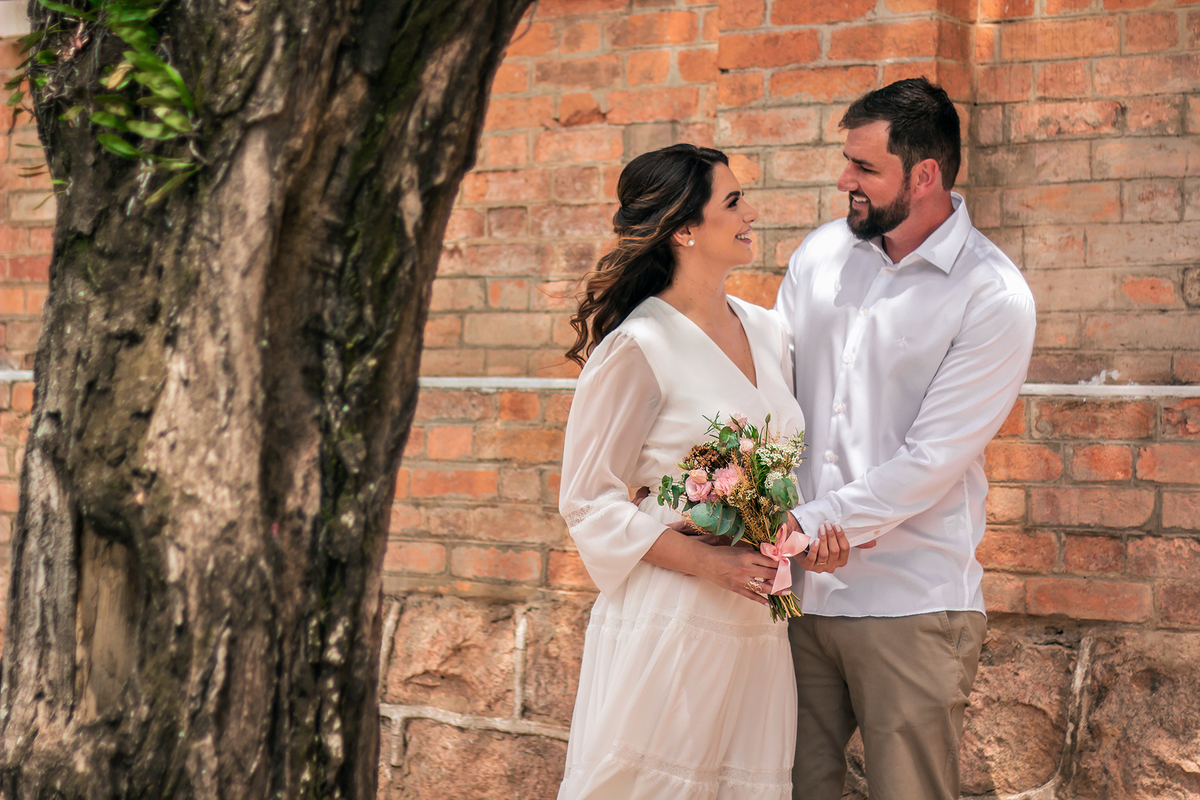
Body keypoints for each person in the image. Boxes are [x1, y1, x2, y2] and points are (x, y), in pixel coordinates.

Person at [556, 143, 848, 799]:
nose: (750, 214)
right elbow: (588, 501)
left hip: (755, 626)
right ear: (686, 228)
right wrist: (709, 564)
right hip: (674, 618)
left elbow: (783, 468)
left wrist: (805, 539)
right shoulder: (639, 346)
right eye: (734, 201)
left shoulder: (769, 332)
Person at [775, 77, 1037, 800]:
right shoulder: (821, 254)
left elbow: (933, 459)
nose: (843, 179)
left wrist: (816, 521)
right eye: (847, 161)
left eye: (864, 167)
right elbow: (772, 395)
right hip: (797, 598)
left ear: (924, 175)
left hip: (911, 603)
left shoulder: (991, 295)